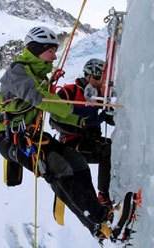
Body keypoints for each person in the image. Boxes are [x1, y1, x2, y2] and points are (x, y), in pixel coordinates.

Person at [0, 26, 113, 238]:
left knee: (77, 162)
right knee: (57, 167)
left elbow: (56, 111)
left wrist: (82, 120)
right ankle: (99, 218)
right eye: (51, 50)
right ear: (37, 49)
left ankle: (97, 222)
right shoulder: (17, 72)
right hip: (10, 139)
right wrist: (75, 111)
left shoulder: (40, 78)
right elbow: (42, 100)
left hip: (31, 137)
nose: (55, 55)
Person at [50, 58, 115, 207]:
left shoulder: (100, 95)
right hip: (72, 143)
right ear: (92, 76)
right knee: (107, 149)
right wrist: (83, 126)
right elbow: (54, 120)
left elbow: (110, 119)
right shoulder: (69, 91)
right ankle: (104, 196)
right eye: (101, 78)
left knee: (114, 147)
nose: (102, 82)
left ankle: (113, 189)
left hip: (91, 140)